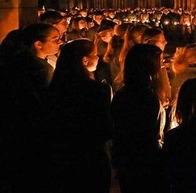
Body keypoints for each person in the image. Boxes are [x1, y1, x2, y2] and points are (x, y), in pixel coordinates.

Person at [44, 39, 113, 193]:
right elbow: (105, 127)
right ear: (85, 60)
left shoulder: (52, 89)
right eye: (95, 55)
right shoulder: (98, 90)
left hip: (61, 155)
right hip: (92, 156)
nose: (99, 58)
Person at [0, 24, 61, 192]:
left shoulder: (18, 63)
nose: (59, 43)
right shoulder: (39, 69)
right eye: (55, 39)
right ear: (38, 44)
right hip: (32, 130)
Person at [111, 44, 168, 193]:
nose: (162, 64)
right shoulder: (147, 98)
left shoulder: (121, 94)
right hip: (144, 162)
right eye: (159, 61)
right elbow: (149, 134)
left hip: (126, 161)